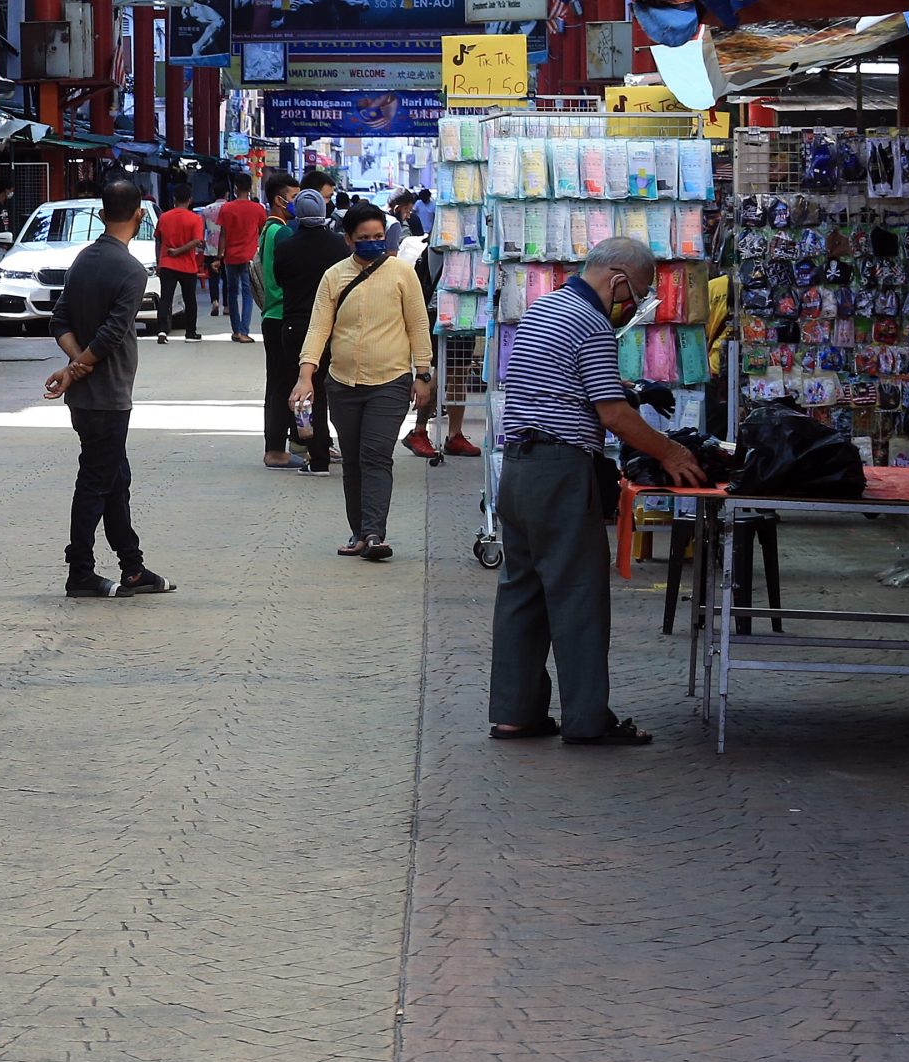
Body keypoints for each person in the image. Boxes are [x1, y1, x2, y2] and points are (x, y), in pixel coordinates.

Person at [488, 237, 705, 745]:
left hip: (519, 470)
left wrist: (629, 390)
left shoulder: (548, 307)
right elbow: (611, 415)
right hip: (558, 470)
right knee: (578, 595)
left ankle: (515, 713)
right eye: (638, 293)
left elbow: (565, 384)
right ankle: (588, 720)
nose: (634, 304)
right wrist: (670, 452)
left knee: (523, 593)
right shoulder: (589, 322)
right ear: (618, 279)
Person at [45, 177, 174, 600]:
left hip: (85, 398)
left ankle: (132, 567)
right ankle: (79, 571)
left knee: (116, 478)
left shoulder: (83, 258)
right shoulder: (132, 271)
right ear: (140, 215)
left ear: (102, 215)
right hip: (109, 397)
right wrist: (77, 368)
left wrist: (72, 367)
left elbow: (58, 320)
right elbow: (112, 335)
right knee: (96, 483)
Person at [292, 202, 434, 562]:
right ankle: (358, 532)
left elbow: (418, 325)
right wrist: (306, 374)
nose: (371, 243)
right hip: (342, 383)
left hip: (391, 381)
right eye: (363, 238)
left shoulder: (402, 273)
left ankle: (374, 533)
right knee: (353, 459)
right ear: (348, 239)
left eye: (377, 237)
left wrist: (423, 374)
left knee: (376, 456)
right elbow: (319, 328)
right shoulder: (334, 277)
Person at [272, 190, 347, 477]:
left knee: (305, 392)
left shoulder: (287, 247)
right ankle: (331, 448)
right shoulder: (339, 246)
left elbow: (279, 280)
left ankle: (316, 457)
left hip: (296, 326)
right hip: (333, 327)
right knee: (331, 390)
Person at [255, 172, 303, 467]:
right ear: (279, 199)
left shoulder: (269, 229)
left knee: (277, 383)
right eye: (295, 198)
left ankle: (277, 446)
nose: (298, 204)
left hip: (271, 314)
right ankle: (276, 450)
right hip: (282, 313)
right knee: (283, 384)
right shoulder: (282, 232)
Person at [215, 177, 269, 345]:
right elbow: (262, 231)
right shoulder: (258, 209)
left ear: (236, 188)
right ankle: (244, 331)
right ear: (250, 187)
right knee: (247, 293)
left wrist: (219, 256)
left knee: (232, 292)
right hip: (249, 257)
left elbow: (222, 234)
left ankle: (236, 330)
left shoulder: (226, 208)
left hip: (231, 256)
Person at [153, 183, 206, 343]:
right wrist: (180, 251)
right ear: (190, 200)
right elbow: (197, 241)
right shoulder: (195, 219)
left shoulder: (164, 217)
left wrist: (159, 261)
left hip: (167, 264)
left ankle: (162, 331)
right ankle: (190, 333)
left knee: (165, 299)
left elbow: (158, 240)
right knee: (190, 299)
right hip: (187, 266)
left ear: (174, 199)